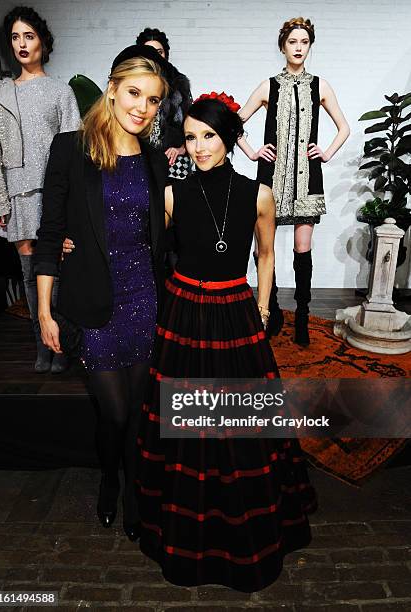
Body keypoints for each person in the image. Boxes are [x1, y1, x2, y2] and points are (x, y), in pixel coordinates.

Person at [136, 92, 317, 592]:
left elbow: (264, 256)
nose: (197, 147)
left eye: (208, 136)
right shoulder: (174, 196)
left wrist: (263, 308)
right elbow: (146, 248)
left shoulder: (259, 194)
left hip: (235, 311)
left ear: (231, 138)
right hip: (184, 313)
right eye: (190, 137)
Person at [34, 46, 169, 540]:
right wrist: (45, 312)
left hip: (144, 300)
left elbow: (163, 236)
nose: (142, 107)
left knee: (135, 409)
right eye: (135, 93)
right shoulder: (71, 149)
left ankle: (131, 491)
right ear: (111, 89)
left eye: (153, 100)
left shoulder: (154, 159)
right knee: (112, 410)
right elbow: (51, 234)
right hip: (93, 305)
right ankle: (110, 475)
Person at [238, 17, 350, 346]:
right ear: (283, 46)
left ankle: (301, 317)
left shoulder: (320, 86)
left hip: (306, 180)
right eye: (293, 42)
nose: (299, 47)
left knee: (303, 249)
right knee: (264, 250)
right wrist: (253, 152)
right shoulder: (268, 86)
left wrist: (326, 153)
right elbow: (234, 122)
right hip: (271, 179)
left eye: (304, 42)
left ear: (309, 46)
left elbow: (344, 127)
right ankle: (269, 312)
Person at [0, 6, 81, 373]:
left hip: (53, 194)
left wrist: (73, 202)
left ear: (43, 41)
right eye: (15, 37)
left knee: (54, 270)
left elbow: (76, 152)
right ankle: (42, 346)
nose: (22, 44)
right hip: (17, 194)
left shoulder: (61, 93)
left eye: (29, 35)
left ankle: (61, 345)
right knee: (29, 275)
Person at [136, 27, 192, 180]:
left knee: (174, 202)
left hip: (173, 162)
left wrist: (181, 149)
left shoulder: (180, 84)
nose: (155, 56)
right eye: (149, 50)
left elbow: (192, 125)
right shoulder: (132, 83)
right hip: (140, 159)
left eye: (159, 51)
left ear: (166, 55)